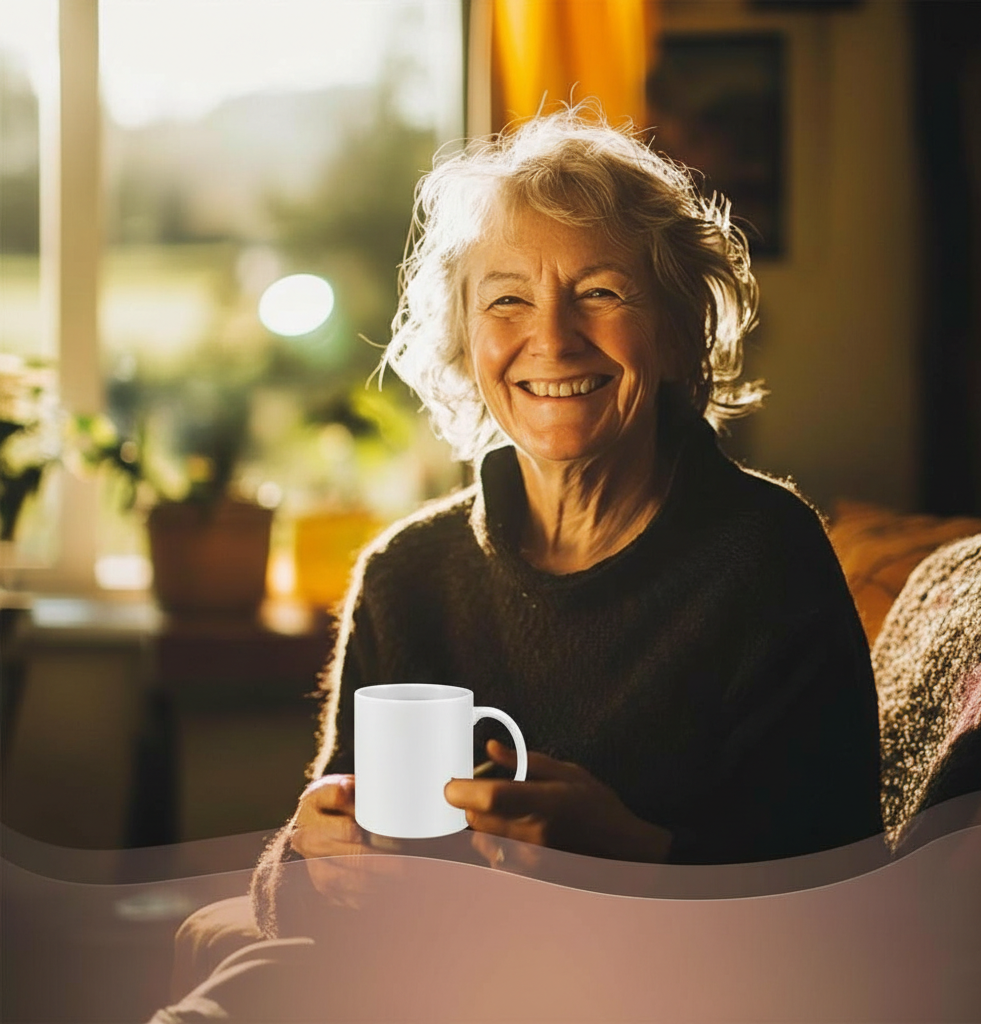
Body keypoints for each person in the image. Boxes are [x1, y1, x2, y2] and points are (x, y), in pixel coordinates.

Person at [246, 104, 883, 940]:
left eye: (600, 292)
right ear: (463, 341)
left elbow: (847, 904)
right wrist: (308, 862)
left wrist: (636, 855)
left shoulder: (766, 559)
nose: (552, 338)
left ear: (678, 331)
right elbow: (313, 870)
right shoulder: (408, 573)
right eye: (507, 299)